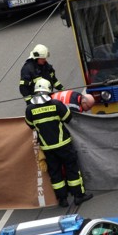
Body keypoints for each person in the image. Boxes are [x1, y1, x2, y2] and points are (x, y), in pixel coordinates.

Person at [25, 78, 93, 208]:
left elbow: (31, 126)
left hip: (47, 148)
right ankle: (78, 196)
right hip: (64, 144)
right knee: (72, 169)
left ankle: (62, 199)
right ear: (49, 91)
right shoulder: (56, 104)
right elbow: (68, 119)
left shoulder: (29, 110)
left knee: (55, 173)